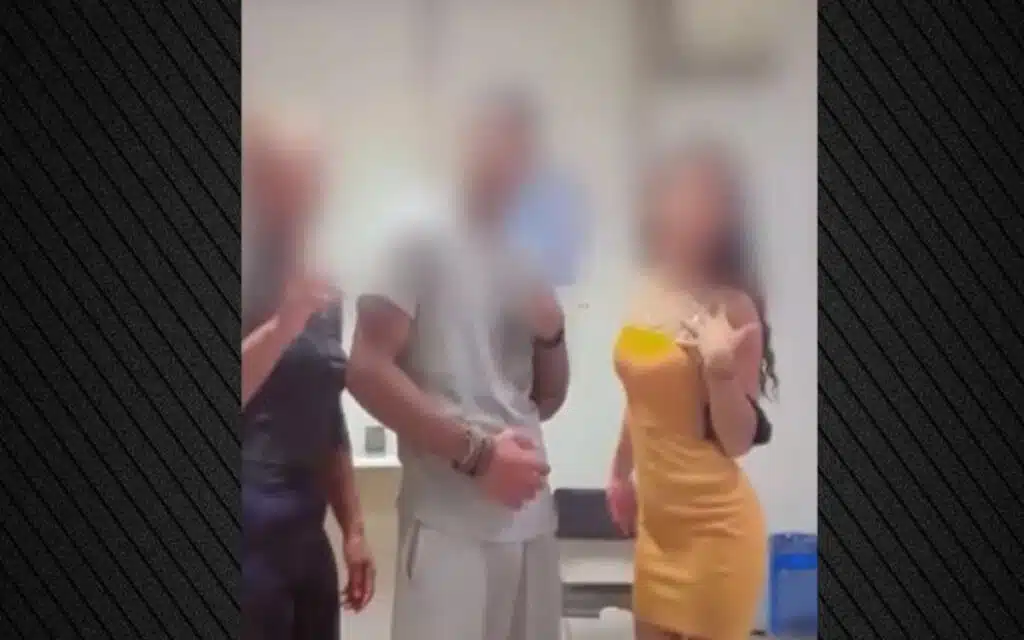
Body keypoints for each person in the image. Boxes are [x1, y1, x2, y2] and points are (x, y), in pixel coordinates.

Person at [346, 93, 569, 640]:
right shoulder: (412, 234)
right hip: (450, 523)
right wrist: (480, 455)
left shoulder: (528, 252)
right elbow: (366, 369)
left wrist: (553, 332)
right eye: (498, 140)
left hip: (531, 518)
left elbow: (546, 400)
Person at [606, 144, 777, 640]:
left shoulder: (733, 307)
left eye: (705, 201)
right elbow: (642, 397)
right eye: (679, 194)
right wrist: (618, 473)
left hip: (716, 533)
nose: (687, 210)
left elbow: (737, 441)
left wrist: (720, 373)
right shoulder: (648, 290)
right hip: (658, 534)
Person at [241, 112, 375, 640]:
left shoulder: (322, 285)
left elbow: (327, 416)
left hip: (306, 533)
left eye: (311, 177)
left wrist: (354, 529)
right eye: (287, 175)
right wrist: (283, 323)